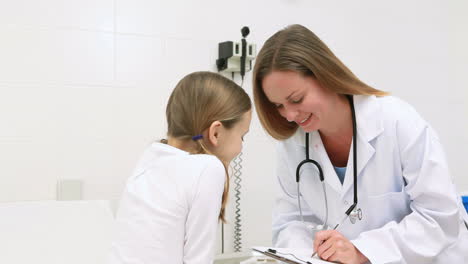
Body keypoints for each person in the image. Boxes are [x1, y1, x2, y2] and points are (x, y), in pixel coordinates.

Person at [253, 24, 468, 264]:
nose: (290, 115)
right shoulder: (293, 145)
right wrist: (302, 256)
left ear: (326, 76)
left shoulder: (397, 121)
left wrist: (363, 250)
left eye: (296, 99)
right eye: (279, 106)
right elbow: (290, 221)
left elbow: (439, 217)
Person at [109, 71, 252, 263]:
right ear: (216, 133)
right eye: (242, 136)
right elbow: (198, 259)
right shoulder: (208, 168)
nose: (241, 147)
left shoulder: (150, 157)